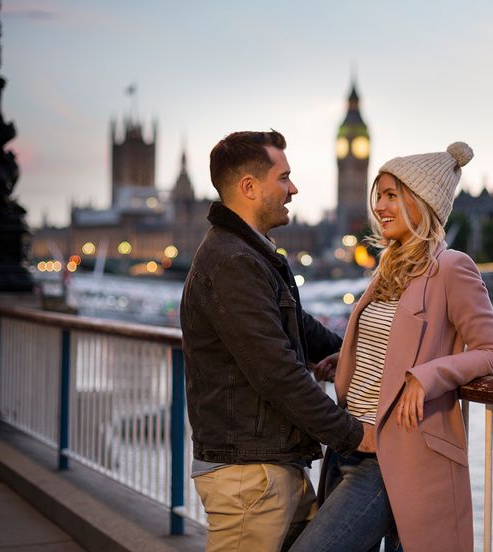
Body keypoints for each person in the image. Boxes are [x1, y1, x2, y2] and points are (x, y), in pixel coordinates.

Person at [290, 142, 493, 552]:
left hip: (392, 457)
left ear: (421, 202)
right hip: (349, 443)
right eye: (380, 195)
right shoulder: (389, 266)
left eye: (392, 195)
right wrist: (349, 362)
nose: (380, 206)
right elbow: (391, 343)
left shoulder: (451, 267)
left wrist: (425, 378)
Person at [180, 130, 371, 552]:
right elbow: (277, 371)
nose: (293, 188)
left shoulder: (249, 253)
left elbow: (295, 325)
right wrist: (355, 435)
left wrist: (351, 352)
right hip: (249, 477)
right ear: (249, 187)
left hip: (270, 465)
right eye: (283, 178)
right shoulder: (233, 261)